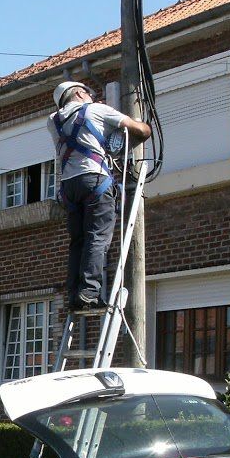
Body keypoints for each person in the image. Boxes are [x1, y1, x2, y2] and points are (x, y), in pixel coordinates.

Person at [50, 81, 152, 312]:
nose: (92, 97)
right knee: (97, 237)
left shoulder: (53, 120)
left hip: (69, 187)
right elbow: (140, 131)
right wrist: (144, 126)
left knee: (78, 242)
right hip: (94, 181)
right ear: (79, 93)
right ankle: (89, 292)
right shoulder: (97, 110)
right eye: (89, 93)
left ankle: (75, 294)